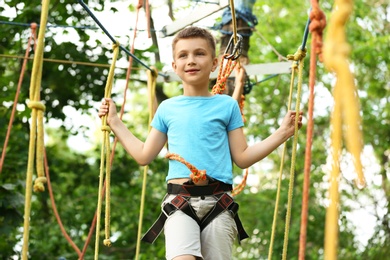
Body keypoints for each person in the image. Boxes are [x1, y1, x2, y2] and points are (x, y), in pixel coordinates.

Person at [98, 26, 303, 260]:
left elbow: (243, 157)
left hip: (219, 203)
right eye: (183, 55)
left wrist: (282, 133)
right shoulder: (168, 108)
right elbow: (144, 155)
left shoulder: (227, 106)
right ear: (175, 67)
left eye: (199, 53)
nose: (191, 60)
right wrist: (114, 121)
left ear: (214, 63)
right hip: (179, 202)